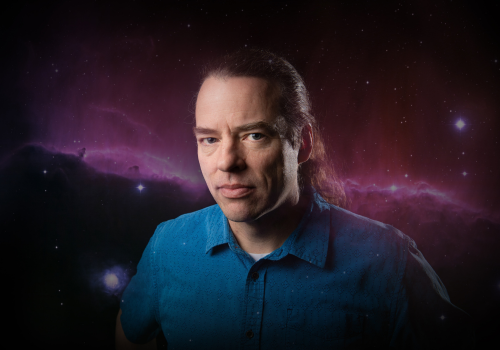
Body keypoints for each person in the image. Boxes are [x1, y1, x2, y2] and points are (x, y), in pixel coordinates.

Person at [115, 49, 474, 349]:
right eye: (209, 139)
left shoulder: (389, 263)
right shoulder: (168, 246)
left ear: (302, 143)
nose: (226, 162)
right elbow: (129, 334)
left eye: (254, 136)